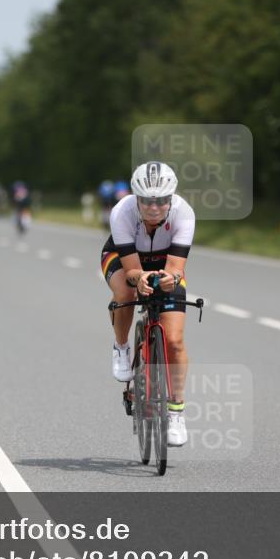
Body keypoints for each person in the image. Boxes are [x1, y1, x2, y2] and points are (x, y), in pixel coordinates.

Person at [100, 161, 195, 446]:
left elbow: (177, 267)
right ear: (136, 199)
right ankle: (121, 347)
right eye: (147, 201)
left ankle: (176, 411)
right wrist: (140, 278)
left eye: (162, 201)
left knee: (175, 341)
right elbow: (131, 271)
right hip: (124, 260)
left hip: (165, 263)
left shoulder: (184, 214)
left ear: (171, 198)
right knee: (126, 295)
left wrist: (169, 279)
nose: (154, 208)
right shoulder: (122, 213)